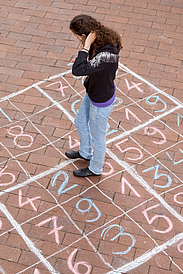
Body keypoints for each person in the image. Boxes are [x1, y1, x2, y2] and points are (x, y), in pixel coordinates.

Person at [65, 14, 122, 177]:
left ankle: (95, 168)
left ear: (85, 36)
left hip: (101, 100)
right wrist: (86, 60)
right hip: (93, 91)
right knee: (80, 121)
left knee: (98, 137)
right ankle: (85, 153)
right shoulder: (103, 41)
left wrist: (85, 49)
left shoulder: (105, 53)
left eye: (77, 37)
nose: (77, 39)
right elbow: (88, 66)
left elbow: (78, 71)